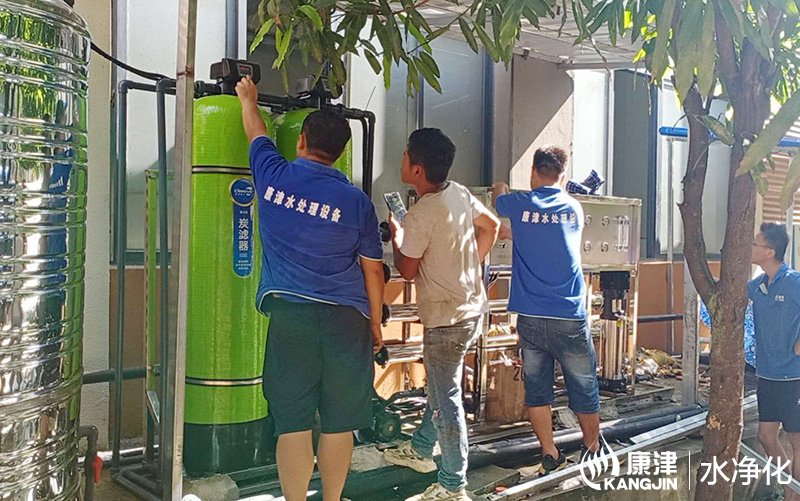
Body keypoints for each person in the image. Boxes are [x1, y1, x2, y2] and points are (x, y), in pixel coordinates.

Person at [236, 76, 385, 501]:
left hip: (291, 318)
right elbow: (373, 271)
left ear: (301, 140)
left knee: (293, 423)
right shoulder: (357, 202)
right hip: (347, 321)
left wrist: (248, 98)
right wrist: (375, 325)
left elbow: (256, 131)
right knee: (339, 422)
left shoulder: (273, 176)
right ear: (340, 153)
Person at [383, 128, 500, 501]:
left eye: (405, 155)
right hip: (471, 309)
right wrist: (468, 265)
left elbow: (407, 270)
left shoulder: (420, 215)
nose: (401, 159)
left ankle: (452, 484)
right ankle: (420, 449)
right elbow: (492, 226)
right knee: (440, 387)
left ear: (417, 169)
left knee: (446, 400)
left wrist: (398, 234)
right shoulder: (459, 193)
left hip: (445, 321)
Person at [492, 146, 601, 475]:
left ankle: (550, 452)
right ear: (563, 176)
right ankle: (592, 448)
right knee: (583, 386)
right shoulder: (573, 208)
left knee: (538, 390)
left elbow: (498, 197)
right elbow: (548, 235)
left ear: (533, 172)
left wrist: (501, 186)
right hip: (569, 316)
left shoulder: (519, 204)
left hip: (531, 317)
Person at [749, 223, 800, 501]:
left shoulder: (793, 282)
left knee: (797, 440)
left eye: (755, 244)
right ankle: (790, 489)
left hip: (794, 376)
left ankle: (794, 496)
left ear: (769, 252)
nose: (751, 248)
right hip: (767, 374)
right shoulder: (758, 286)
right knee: (766, 436)